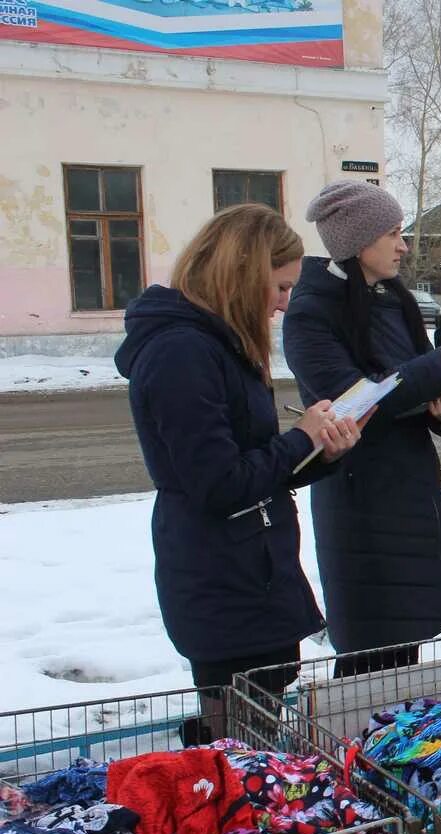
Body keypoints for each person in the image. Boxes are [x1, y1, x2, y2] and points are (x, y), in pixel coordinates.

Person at [115, 204, 364, 742]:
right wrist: (302, 438)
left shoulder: (218, 344)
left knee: (252, 737)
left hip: (254, 573)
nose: (283, 304)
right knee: (240, 749)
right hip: (223, 581)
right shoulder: (182, 352)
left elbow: (253, 464)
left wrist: (321, 450)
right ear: (241, 276)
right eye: (278, 287)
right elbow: (219, 484)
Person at [283, 181, 441, 675]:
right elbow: (355, 400)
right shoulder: (312, 313)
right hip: (359, 501)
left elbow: (413, 389)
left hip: (412, 491)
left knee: (406, 648)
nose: (404, 245)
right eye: (393, 234)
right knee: (368, 656)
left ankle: (393, 744)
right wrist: (440, 365)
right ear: (358, 242)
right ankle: (360, 750)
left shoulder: (393, 299)